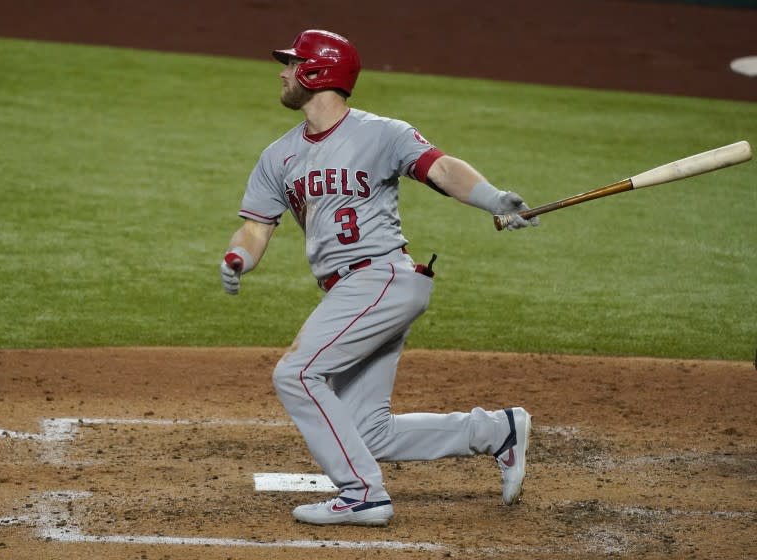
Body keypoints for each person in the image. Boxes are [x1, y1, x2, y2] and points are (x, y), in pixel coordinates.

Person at [220, 29, 538, 527]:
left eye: (291, 63)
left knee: (297, 373)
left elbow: (441, 168)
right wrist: (238, 258)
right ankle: (497, 432)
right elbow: (255, 227)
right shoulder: (277, 157)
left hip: (382, 278)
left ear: (316, 73)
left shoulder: (380, 133)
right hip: (352, 291)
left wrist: (494, 199)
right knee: (368, 433)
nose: (282, 73)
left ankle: (361, 493)